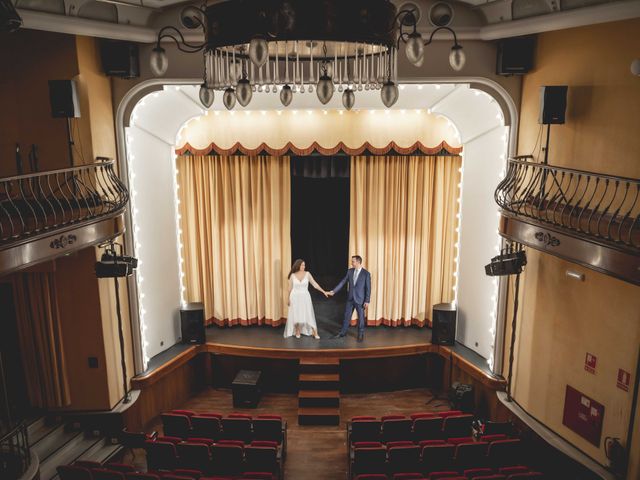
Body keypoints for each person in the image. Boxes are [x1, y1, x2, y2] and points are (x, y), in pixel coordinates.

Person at [328, 255, 371, 342]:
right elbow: (343, 282)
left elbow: (368, 288)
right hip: (350, 298)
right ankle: (343, 333)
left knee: (361, 318)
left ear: (358, 262)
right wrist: (334, 291)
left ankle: (360, 334)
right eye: (352, 261)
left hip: (360, 300)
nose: (351, 263)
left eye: (353, 261)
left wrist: (367, 300)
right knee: (346, 316)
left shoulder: (366, 274)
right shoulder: (350, 271)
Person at [285, 259, 328, 339]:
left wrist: (323, 291)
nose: (303, 267)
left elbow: (314, 284)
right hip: (295, 297)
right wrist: (288, 298)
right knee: (296, 314)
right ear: (298, 265)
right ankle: (297, 330)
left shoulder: (307, 274)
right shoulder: (293, 275)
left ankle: (315, 332)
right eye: (302, 265)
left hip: (305, 297)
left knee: (308, 314)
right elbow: (289, 288)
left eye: (304, 265)